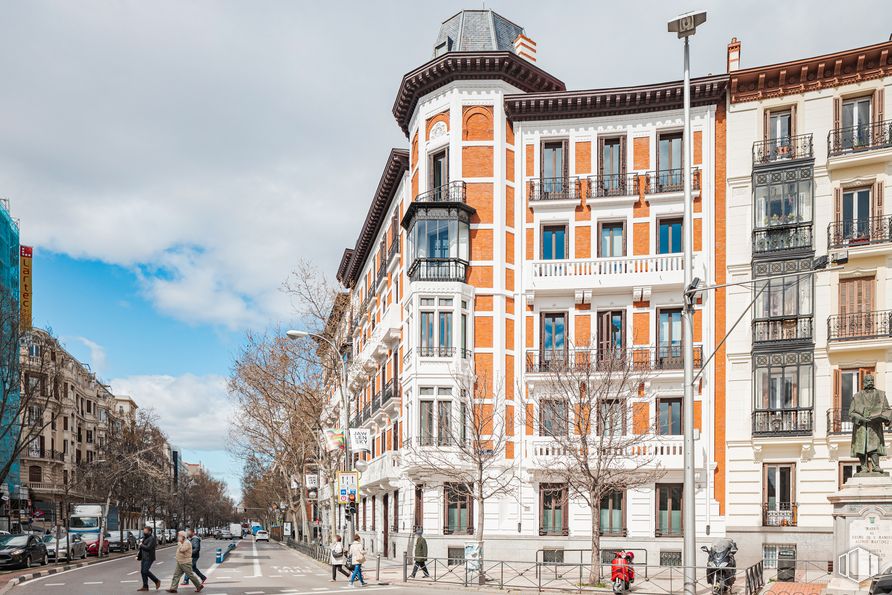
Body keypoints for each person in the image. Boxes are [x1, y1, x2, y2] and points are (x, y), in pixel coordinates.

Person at [136, 525, 161, 592]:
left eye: (145, 531)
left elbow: (148, 548)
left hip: (149, 557)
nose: (144, 532)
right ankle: (145, 586)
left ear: (149, 532)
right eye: (144, 531)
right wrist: (138, 555)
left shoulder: (152, 539)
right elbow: (142, 548)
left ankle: (156, 581)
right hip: (144, 557)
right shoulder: (145, 537)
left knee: (145, 571)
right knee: (142, 572)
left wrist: (141, 545)